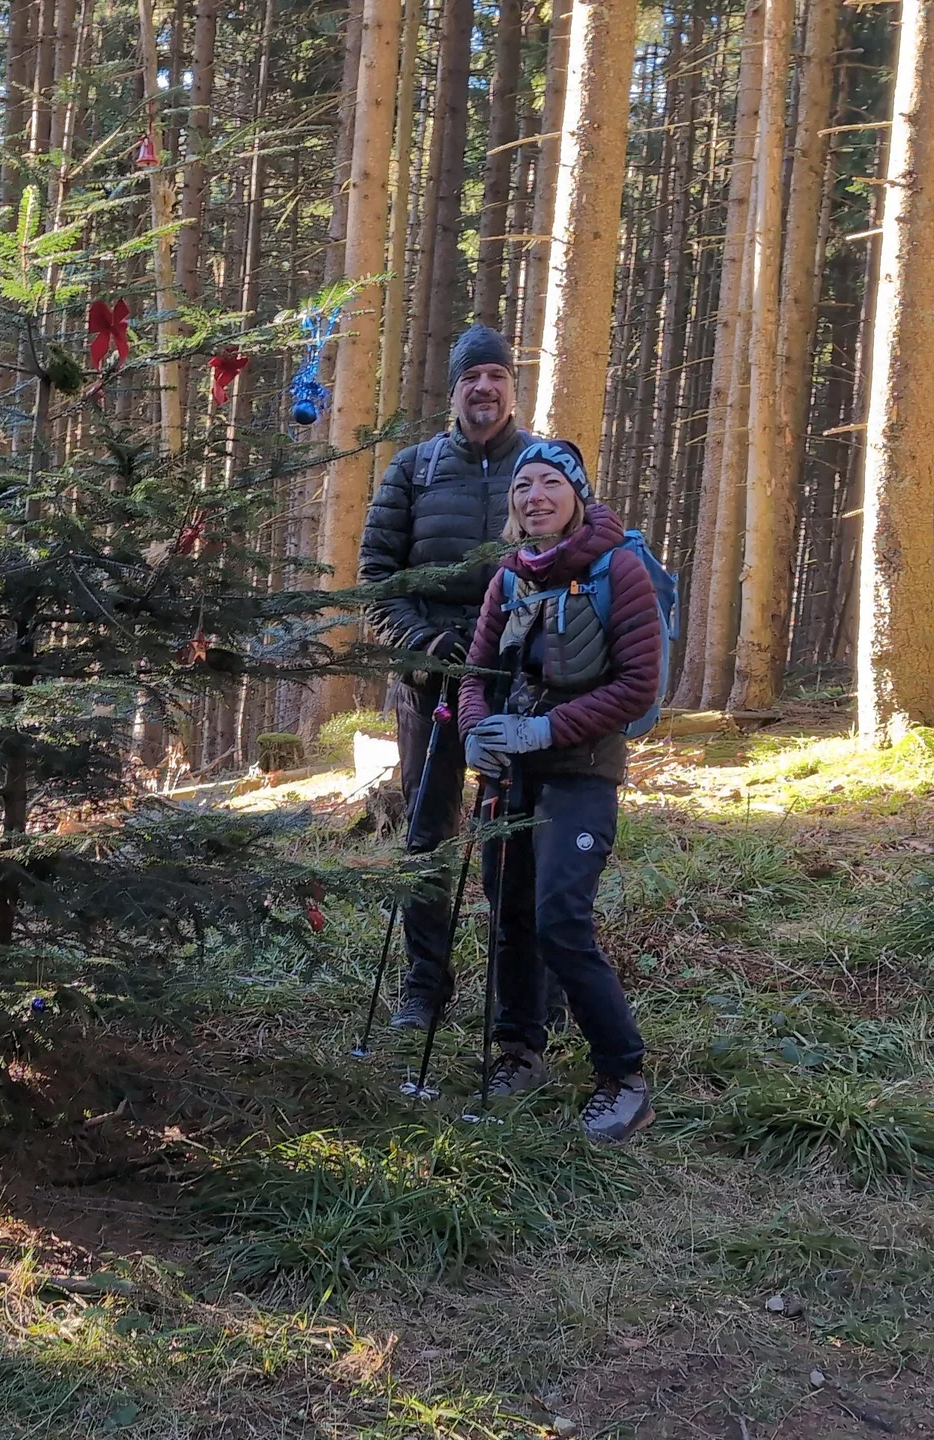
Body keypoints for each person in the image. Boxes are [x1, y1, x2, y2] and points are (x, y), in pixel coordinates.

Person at [458, 439, 658, 1144]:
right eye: (521, 487)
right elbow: (476, 672)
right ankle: (521, 1052)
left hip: (582, 774)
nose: (532, 496)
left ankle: (624, 1076)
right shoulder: (508, 578)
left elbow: (638, 685)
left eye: (548, 483)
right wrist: (479, 733)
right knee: (510, 913)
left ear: (577, 494)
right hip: (510, 776)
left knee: (560, 920)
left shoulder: (619, 572)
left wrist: (546, 732)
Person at [358, 323, 532, 1030]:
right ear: (454, 391)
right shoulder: (413, 468)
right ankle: (424, 987)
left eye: (495, 376)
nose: (483, 389)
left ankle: (517, 993)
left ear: (510, 386)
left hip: (515, 683)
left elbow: (577, 566)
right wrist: (426, 641)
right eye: (471, 379)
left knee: (511, 838)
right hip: (427, 682)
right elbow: (376, 579)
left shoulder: (542, 464)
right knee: (427, 837)